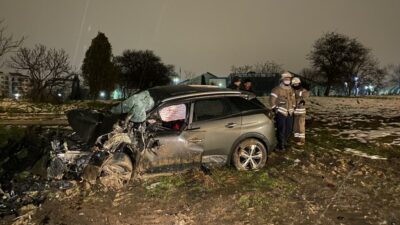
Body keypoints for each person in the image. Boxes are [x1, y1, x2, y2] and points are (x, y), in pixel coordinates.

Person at [269, 72, 295, 152]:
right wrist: (275, 109)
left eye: (289, 79)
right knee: (281, 129)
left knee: (289, 129)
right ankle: (280, 145)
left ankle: (284, 141)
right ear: (282, 80)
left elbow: (293, 100)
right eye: (286, 79)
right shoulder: (276, 89)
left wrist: (293, 107)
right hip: (281, 112)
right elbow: (271, 100)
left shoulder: (291, 89)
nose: (288, 81)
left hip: (289, 112)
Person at [292, 77, 309, 145]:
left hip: (301, 113)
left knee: (301, 126)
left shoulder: (303, 90)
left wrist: (298, 99)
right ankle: (296, 139)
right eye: (294, 84)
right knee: (295, 126)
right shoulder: (293, 90)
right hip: (295, 112)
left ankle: (301, 140)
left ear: (299, 83)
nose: (295, 85)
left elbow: (305, 96)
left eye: (296, 84)